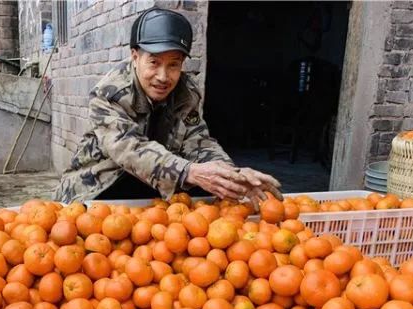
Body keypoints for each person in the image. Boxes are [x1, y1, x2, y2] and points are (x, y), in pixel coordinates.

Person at [54, 7, 282, 205]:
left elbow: (198, 142)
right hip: (97, 189)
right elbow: (129, 150)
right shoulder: (110, 94)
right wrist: (189, 171)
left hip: (154, 187)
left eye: (174, 65)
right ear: (135, 57)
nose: (163, 77)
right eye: (154, 62)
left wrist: (232, 176)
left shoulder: (185, 93)